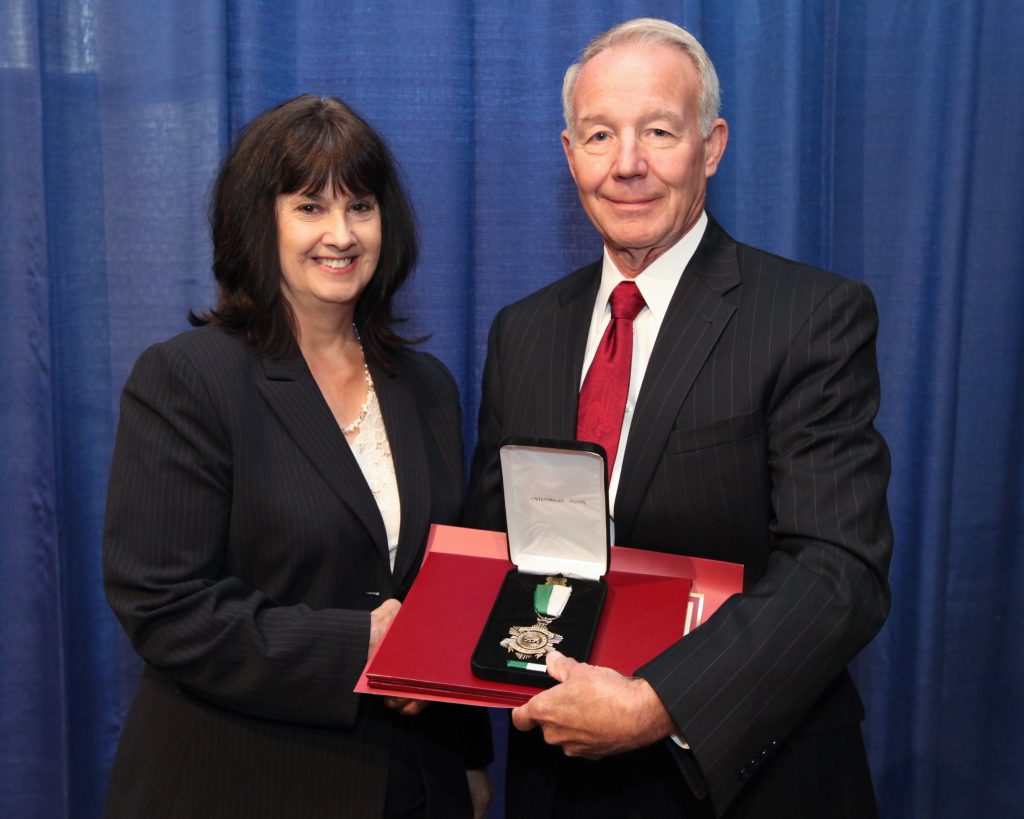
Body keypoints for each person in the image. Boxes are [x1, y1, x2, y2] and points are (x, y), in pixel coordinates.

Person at [465, 18, 893, 819]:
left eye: (658, 131)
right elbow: (496, 545)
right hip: (557, 779)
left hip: (745, 781)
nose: (627, 164)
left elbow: (838, 572)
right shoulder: (520, 332)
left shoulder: (810, 316)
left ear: (712, 145)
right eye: (600, 135)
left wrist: (658, 701)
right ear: (569, 154)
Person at [103, 94, 491, 819]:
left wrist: (468, 755)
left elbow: (442, 581)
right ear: (261, 221)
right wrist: (357, 646)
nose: (341, 234)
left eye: (361, 206)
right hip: (242, 779)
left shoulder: (427, 387)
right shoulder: (189, 378)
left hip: (414, 781)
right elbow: (162, 604)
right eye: (310, 206)